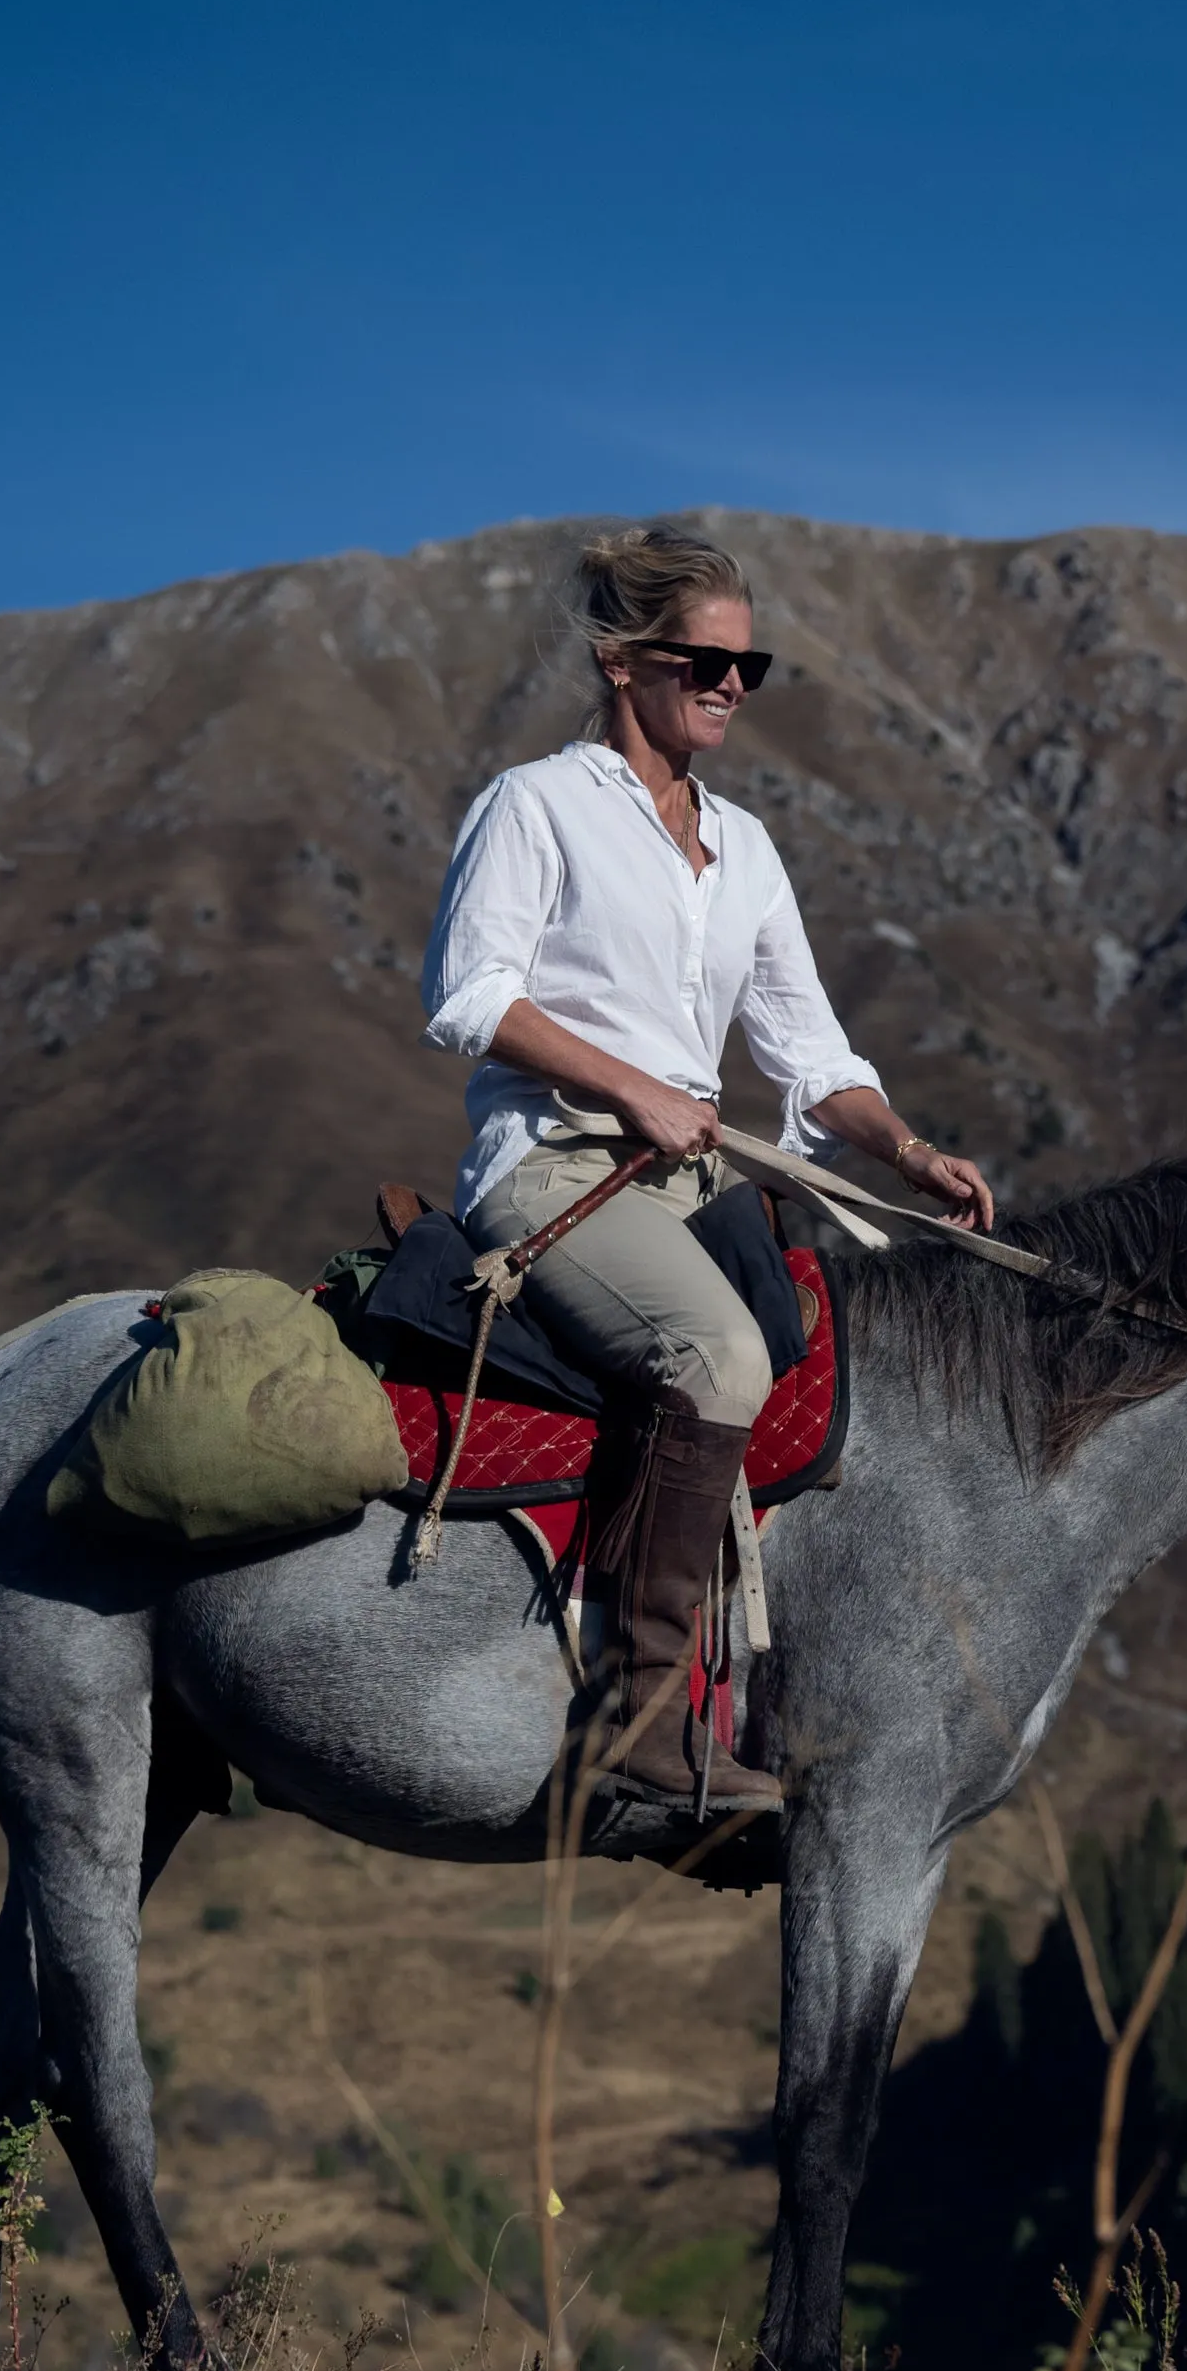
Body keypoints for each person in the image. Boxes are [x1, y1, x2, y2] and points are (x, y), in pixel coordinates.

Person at [421, 525, 996, 1821]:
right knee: (720, 1361)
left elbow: (809, 1052)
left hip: (695, 1177)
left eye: (753, 668)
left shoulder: (744, 847)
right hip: (554, 1171)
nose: (734, 687)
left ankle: (774, 1695)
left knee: (843, 1340)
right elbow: (469, 996)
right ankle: (634, 1725)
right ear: (625, 662)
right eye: (709, 663)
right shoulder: (537, 804)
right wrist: (629, 1086)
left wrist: (904, 1150)